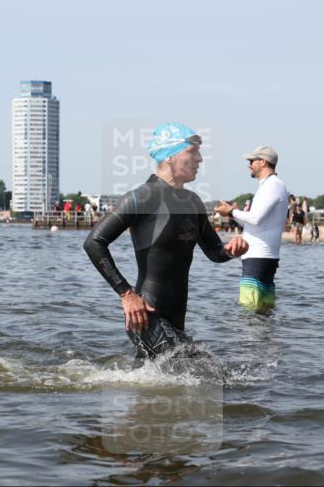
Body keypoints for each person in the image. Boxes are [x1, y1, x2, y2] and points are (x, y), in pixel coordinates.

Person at [83, 122, 247, 358]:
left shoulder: (193, 202)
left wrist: (232, 249)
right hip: (146, 316)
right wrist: (126, 295)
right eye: (193, 151)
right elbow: (94, 242)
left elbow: (214, 251)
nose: (200, 159)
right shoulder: (141, 198)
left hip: (176, 319)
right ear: (169, 156)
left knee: (169, 375)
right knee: (202, 371)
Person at [215, 145, 289, 310]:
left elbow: (255, 219)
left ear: (263, 162)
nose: (249, 165)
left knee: (250, 311)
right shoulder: (270, 185)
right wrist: (231, 214)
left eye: (251, 161)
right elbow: (255, 223)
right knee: (263, 312)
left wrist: (231, 211)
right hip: (263, 257)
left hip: (258, 257)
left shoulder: (272, 185)